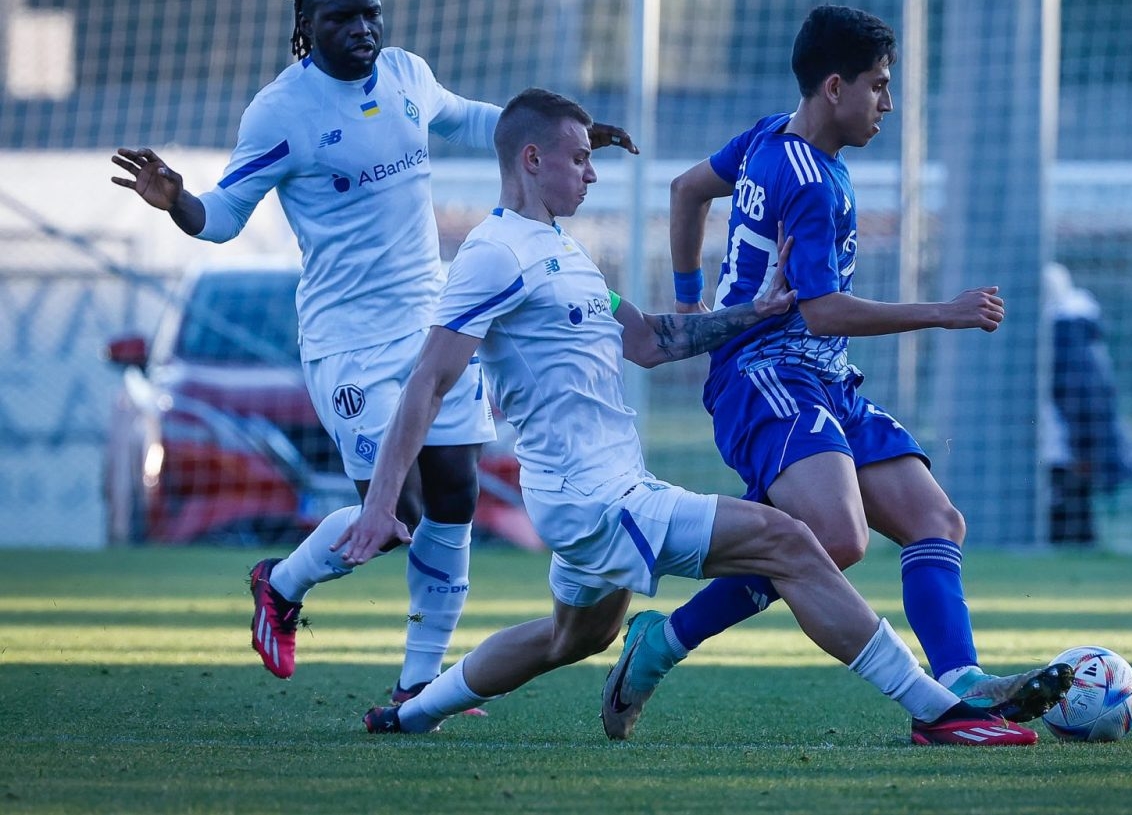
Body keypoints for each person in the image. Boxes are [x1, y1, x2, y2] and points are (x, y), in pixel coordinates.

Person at [342, 87, 1037, 746]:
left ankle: (411, 712)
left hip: (589, 493)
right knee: (792, 541)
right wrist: (380, 504)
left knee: (571, 638)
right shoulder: (492, 256)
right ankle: (939, 711)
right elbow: (429, 380)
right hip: (596, 497)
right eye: (579, 159)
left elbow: (650, 340)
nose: (591, 174)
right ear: (531, 159)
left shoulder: (564, 253)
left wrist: (754, 312)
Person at [108, 0, 636, 707]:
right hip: (348, 342)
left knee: (454, 499)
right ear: (306, 24)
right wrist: (179, 200)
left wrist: (565, 136)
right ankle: (279, 584)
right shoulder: (281, 112)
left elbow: (473, 118)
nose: (363, 29)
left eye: (371, 13)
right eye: (342, 17)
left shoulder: (406, 75)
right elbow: (223, 217)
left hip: (431, 324)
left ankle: (417, 682)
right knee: (393, 515)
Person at [600, 4, 1071, 741]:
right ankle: (664, 639)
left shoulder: (767, 136)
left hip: (822, 377)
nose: (889, 103)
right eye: (878, 85)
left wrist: (691, 302)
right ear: (834, 87)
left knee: (934, 520)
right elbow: (821, 312)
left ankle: (959, 683)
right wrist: (943, 312)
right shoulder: (812, 184)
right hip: (766, 374)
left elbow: (686, 190)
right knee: (836, 537)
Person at [1042, 263, 1132, 545]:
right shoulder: (1079, 329)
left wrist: (1082, 445)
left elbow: (1080, 392)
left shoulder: (1065, 332)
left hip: (1065, 444)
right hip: (1073, 441)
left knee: (1068, 520)